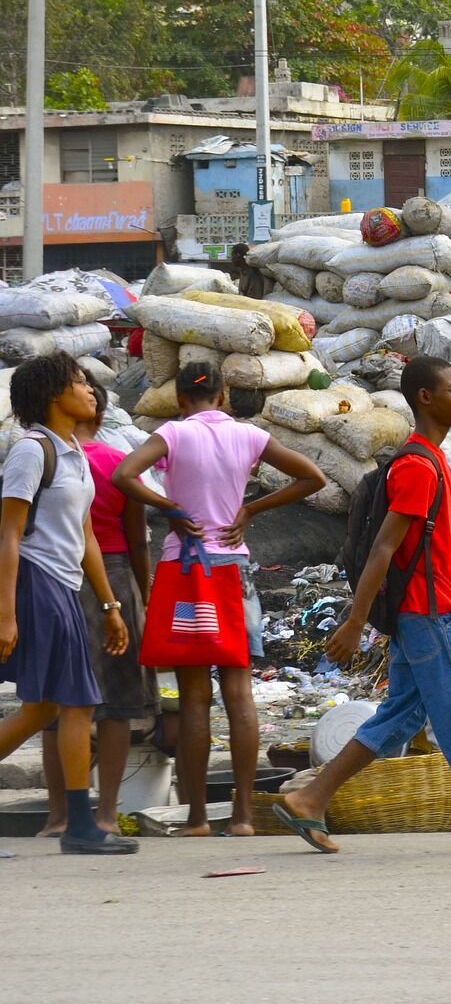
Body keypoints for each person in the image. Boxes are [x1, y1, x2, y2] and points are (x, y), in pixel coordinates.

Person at [276, 357, 451, 856]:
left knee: (399, 716)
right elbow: (384, 547)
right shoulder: (418, 466)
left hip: (426, 611)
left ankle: (310, 799)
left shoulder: (436, 461)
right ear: (426, 397)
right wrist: (355, 620)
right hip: (429, 612)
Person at [113, 363, 325, 836]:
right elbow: (312, 477)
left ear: (180, 398)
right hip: (232, 570)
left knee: (193, 697)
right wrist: (250, 507)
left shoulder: (172, 433)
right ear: (223, 395)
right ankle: (245, 816)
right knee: (239, 691)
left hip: (184, 569)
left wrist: (169, 507)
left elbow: (125, 475)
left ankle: (197, 818)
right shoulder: (248, 437)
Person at [0, 354, 139, 854]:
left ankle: (81, 826)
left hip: (64, 586)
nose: (89, 390)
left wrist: (109, 605)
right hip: (36, 583)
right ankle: (80, 827)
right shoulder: (32, 451)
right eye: (79, 382)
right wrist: (6, 614)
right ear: (53, 394)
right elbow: (9, 535)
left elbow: (86, 537)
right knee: (76, 703)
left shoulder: (75, 452)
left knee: (42, 710)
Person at [39, 384, 156, 838]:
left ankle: (59, 816)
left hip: (55, 579)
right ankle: (106, 813)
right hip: (113, 576)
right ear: (103, 414)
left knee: (55, 705)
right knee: (117, 704)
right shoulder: (115, 464)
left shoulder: (47, 460)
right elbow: (136, 537)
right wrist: (140, 597)